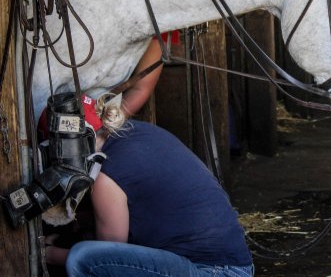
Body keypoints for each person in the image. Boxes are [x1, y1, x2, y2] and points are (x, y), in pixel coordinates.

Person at [45, 94, 254, 277]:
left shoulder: (105, 177)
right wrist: (79, 222)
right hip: (235, 265)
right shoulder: (140, 131)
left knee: (82, 258)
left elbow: (109, 253)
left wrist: (51, 256)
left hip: (210, 271)